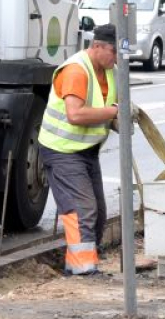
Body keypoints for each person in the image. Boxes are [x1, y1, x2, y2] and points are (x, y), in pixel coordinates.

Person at [38, 25, 120, 277]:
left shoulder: (110, 71)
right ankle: (81, 269)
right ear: (97, 46)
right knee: (82, 208)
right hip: (62, 150)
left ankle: (88, 260)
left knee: (98, 213)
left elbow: (108, 106)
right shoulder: (76, 70)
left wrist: (121, 118)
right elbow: (75, 114)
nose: (116, 58)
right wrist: (114, 112)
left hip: (86, 150)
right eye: (114, 52)